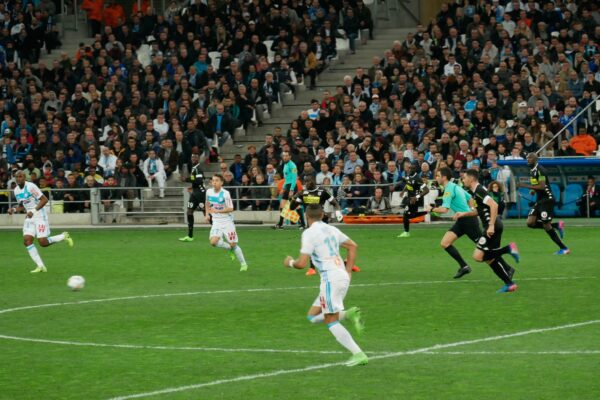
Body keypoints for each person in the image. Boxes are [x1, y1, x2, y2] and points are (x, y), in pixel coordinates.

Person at [283, 204, 367, 366]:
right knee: (313, 317)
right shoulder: (332, 229)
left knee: (330, 320)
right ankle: (348, 314)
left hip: (330, 279)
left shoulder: (309, 233)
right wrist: (348, 270)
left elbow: (301, 263)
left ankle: (358, 354)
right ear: (322, 215)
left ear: (306, 217)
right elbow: (352, 246)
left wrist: (289, 262)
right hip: (341, 276)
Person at [460, 169, 520, 293]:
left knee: (477, 256)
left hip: (491, 226)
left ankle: (509, 249)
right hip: (494, 225)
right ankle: (509, 283)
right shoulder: (476, 192)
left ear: (471, 179)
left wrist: (491, 225)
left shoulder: (479, 190)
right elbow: (480, 211)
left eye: (464, 177)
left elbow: (494, 205)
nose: (463, 180)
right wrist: (463, 214)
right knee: (490, 257)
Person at [8, 171, 73, 273]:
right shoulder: (16, 190)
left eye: (20, 176)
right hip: (30, 217)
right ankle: (41, 266)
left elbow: (44, 200)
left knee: (43, 242)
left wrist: (33, 211)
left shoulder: (31, 187)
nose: (18, 178)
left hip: (39, 216)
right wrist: (14, 210)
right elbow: (22, 205)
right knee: (27, 241)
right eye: (16, 177)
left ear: (25, 177)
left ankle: (63, 236)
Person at [426, 167, 481, 279]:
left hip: (469, 222)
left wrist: (431, 209)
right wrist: (471, 210)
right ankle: (464, 266)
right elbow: (470, 197)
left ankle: (506, 261)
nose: (436, 178)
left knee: (485, 249)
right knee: (445, 243)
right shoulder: (455, 186)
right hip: (462, 220)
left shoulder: (449, 189)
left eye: (438, 176)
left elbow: (444, 210)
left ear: (444, 177)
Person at [519, 153, 569, 255]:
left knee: (546, 226)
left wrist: (525, 185)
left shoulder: (540, 170)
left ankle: (564, 248)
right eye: (527, 158)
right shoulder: (532, 170)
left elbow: (542, 187)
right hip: (540, 200)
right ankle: (557, 225)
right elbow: (537, 185)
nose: (527, 160)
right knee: (530, 223)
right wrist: (533, 190)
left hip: (547, 200)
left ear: (535, 159)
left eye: (530, 158)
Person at [205, 174, 248, 271]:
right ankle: (229, 248)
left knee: (234, 244)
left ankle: (243, 264)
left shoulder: (225, 193)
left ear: (221, 183)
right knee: (213, 242)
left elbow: (230, 208)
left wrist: (218, 211)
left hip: (227, 222)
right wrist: (207, 214)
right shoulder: (209, 192)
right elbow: (207, 203)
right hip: (216, 222)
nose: (214, 182)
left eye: (216, 180)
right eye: (213, 180)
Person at [179, 153, 207, 242]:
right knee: (189, 212)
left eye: (195, 157)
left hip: (200, 193)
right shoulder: (194, 168)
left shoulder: (198, 168)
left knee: (206, 213)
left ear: (198, 158)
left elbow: (199, 181)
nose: (193, 159)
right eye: (192, 157)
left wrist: (186, 179)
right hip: (195, 193)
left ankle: (218, 233)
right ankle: (190, 236)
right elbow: (202, 178)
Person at [397, 164, 429, 238]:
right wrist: (403, 191)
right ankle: (427, 212)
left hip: (415, 199)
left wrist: (416, 197)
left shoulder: (418, 179)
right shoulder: (408, 175)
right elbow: (408, 184)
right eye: (409, 168)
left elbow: (426, 190)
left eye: (412, 169)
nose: (410, 170)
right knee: (412, 215)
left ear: (415, 170)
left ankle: (406, 232)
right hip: (409, 197)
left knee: (405, 215)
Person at [274, 151, 298, 229]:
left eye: (286, 156)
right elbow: (286, 178)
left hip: (292, 186)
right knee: (282, 205)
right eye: (284, 156)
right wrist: (284, 188)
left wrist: (291, 189)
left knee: (295, 206)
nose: (285, 157)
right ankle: (281, 223)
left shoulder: (293, 165)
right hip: (287, 186)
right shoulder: (285, 165)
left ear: (290, 157)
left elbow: (294, 178)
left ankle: (302, 223)